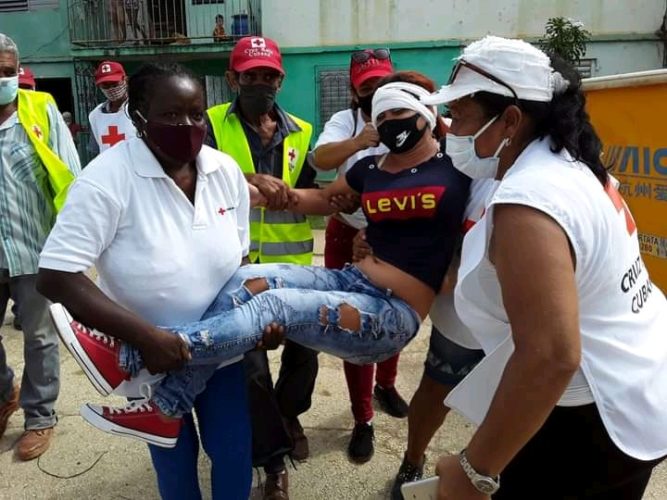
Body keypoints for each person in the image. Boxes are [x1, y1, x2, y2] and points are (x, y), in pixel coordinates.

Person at [43, 79, 471, 465]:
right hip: (355, 281)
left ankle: (129, 355)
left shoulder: (459, 169)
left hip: (393, 314)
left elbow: (478, 225)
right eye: (384, 115)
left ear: (429, 116)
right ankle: (166, 407)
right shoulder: (371, 168)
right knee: (245, 282)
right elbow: (322, 201)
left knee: (276, 304)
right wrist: (265, 192)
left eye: (402, 113)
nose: (393, 123)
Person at [417, 36, 667, 499]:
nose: (451, 129)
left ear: (510, 119)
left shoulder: (529, 201)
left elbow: (551, 356)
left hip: (590, 423)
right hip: (634, 389)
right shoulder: (570, 167)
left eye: (463, 116)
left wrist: (475, 472)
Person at [37, 63, 254, 500]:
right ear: (138, 116)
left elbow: (241, 260)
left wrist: (255, 320)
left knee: (233, 453)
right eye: (172, 115)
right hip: (150, 356)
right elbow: (57, 275)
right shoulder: (105, 180)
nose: (188, 126)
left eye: (196, 114)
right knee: (173, 457)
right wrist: (147, 337)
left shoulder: (224, 170)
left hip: (225, 356)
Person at [204, 35, 319, 499]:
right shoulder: (210, 125)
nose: (260, 83)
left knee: (304, 354)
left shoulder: (303, 131)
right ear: (233, 78)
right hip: (235, 271)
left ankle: (288, 415)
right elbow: (194, 180)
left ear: (281, 79)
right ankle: (272, 463)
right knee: (250, 369)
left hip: (294, 268)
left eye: (269, 75)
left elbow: (313, 192)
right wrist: (247, 179)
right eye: (250, 75)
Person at [311, 49, 408, 464]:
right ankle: (362, 419)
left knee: (397, 316)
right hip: (346, 229)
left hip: (395, 235)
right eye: (368, 85)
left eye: (383, 83)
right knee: (353, 325)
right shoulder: (344, 122)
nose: (376, 92)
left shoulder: (406, 115)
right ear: (354, 89)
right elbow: (320, 159)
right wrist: (360, 140)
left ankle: (385, 383)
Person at [0, 33, 80, 461]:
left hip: (36, 250)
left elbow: (71, 176)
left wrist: (71, 250)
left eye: (7, 72)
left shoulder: (41, 109)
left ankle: (40, 415)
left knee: (40, 337)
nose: (2, 79)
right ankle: (3, 395)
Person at [88, 60, 136, 158]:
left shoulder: (139, 108)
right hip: (109, 170)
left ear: (125, 80)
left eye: (114, 84)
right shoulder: (95, 115)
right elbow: (96, 149)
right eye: (105, 85)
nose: (111, 89)